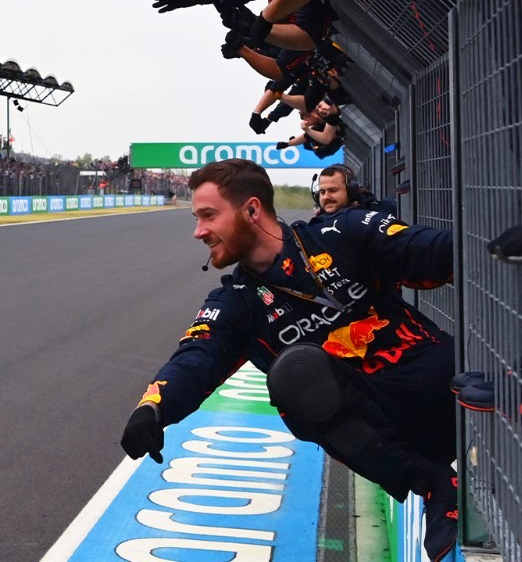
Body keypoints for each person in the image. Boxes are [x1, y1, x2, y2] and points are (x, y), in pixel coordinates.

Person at [119, 159, 460, 561]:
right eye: (197, 219)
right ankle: (438, 487)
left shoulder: (342, 231)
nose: (199, 232)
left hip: (448, 384)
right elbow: (197, 356)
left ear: (251, 210)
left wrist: (493, 242)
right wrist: (153, 409)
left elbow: (435, 252)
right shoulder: (237, 303)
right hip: (401, 432)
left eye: (208, 216)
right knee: (294, 377)